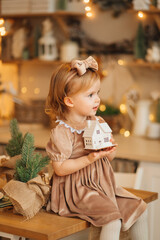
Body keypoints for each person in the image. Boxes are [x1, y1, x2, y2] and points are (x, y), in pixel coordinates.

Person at [45, 56, 148, 240]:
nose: (98, 99)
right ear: (69, 102)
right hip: (77, 190)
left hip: (103, 187)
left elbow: (109, 158)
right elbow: (60, 169)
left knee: (140, 210)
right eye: (90, 95)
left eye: (97, 93)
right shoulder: (63, 131)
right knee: (112, 220)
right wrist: (89, 159)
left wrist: (109, 150)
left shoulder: (97, 121)